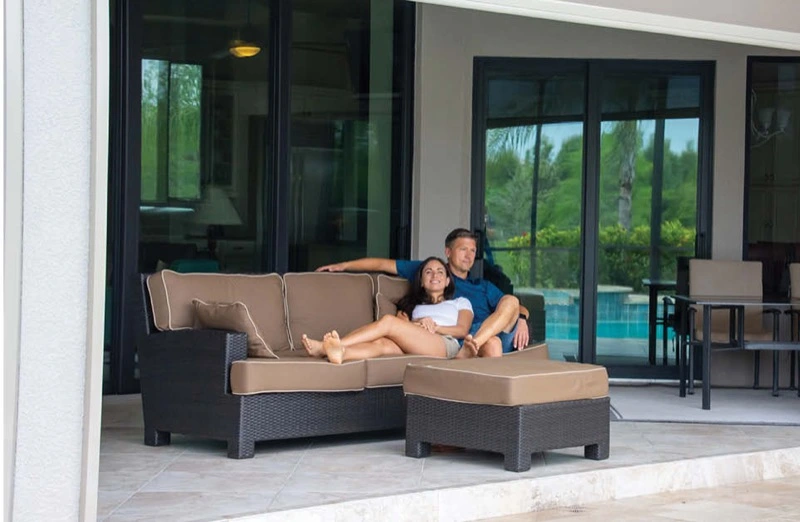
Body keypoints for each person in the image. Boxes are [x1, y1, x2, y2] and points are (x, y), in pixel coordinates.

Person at [316, 228, 529, 356]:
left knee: (510, 300)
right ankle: (337, 350)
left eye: (472, 250)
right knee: (492, 343)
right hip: (463, 341)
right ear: (448, 252)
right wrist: (343, 265)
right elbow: (382, 264)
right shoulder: (431, 271)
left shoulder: (482, 286)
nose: (469, 255)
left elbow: (515, 309)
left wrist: (521, 319)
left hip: (485, 333)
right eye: (463, 249)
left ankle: (476, 342)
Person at [302, 257, 477, 363]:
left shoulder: (460, 302)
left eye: (440, 272)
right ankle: (341, 353)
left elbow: (462, 331)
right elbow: (403, 328)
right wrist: (418, 323)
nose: (434, 275)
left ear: (447, 281)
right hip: (416, 342)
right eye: (428, 272)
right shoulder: (412, 306)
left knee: (388, 322)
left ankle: (329, 346)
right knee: (381, 344)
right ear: (422, 281)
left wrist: (435, 327)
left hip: (445, 344)